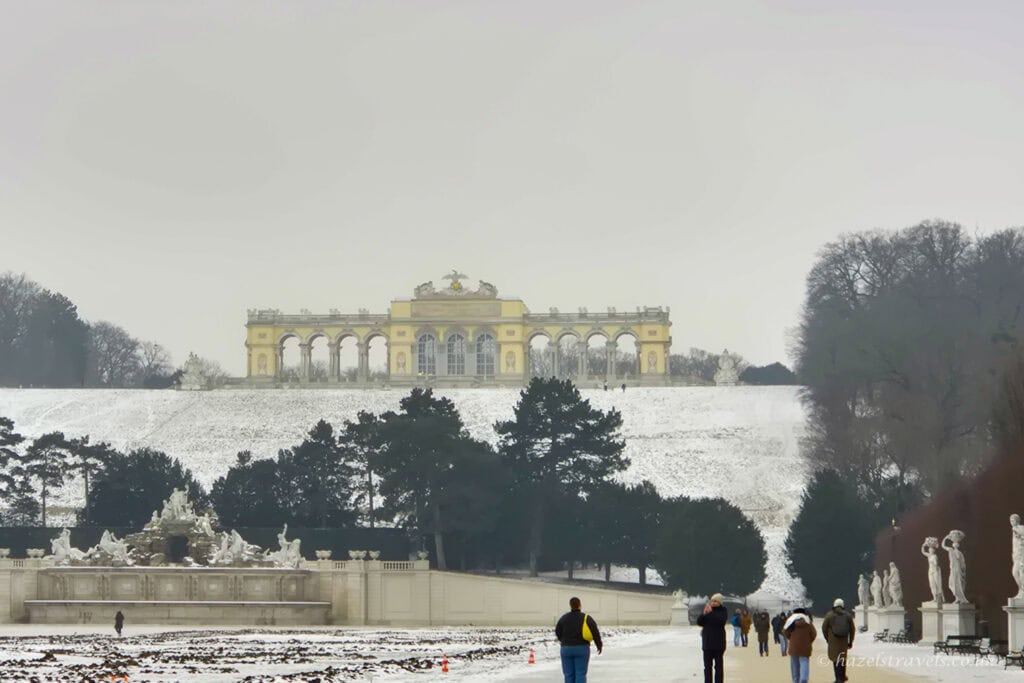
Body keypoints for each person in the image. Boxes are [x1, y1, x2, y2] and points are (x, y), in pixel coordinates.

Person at [555, 596, 602, 683]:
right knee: (580, 673)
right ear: (580, 605)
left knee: (568, 674)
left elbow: (557, 631)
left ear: (570, 605)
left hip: (566, 648)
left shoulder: (564, 618)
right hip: (582, 648)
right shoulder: (586, 618)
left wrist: (563, 640)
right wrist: (599, 645)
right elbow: (595, 632)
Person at [697, 593, 728, 683]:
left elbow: (721, 621)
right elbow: (700, 622)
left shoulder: (723, 611)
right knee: (707, 667)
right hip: (707, 643)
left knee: (718, 667)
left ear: (720, 602)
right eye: (712, 601)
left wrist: (710, 613)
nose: (713, 603)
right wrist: (703, 614)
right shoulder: (708, 611)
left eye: (715, 601)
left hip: (718, 644)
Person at [823, 598, 855, 683]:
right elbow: (852, 629)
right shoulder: (848, 615)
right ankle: (843, 676)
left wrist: (828, 638)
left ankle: (838, 678)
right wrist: (850, 641)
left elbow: (824, 628)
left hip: (833, 642)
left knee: (835, 660)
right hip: (844, 642)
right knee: (842, 659)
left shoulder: (829, 615)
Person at [784, 607, 817, 683]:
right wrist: (809, 641)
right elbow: (814, 634)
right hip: (805, 646)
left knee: (794, 665)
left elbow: (785, 632)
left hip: (794, 647)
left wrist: (791, 639)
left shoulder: (791, 622)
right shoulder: (808, 623)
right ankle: (804, 678)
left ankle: (795, 680)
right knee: (804, 661)